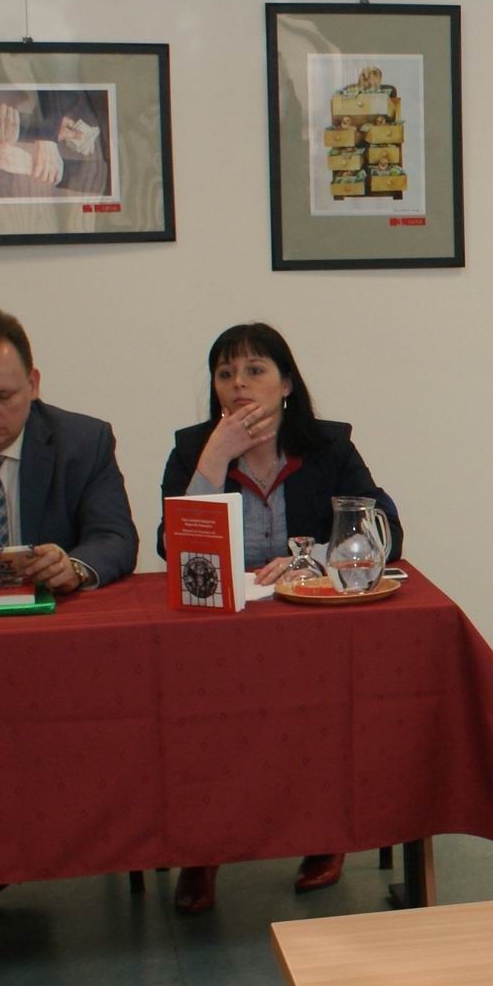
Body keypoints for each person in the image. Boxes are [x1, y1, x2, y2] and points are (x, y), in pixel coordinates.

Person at [155, 322, 403, 914]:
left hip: (309, 626)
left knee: (325, 701)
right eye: (225, 374)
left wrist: (308, 558)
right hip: (221, 634)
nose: (238, 384)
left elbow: (385, 532)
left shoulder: (328, 446)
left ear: (286, 383)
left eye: (254, 370)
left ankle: (323, 835)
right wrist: (215, 459)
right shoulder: (192, 450)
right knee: (193, 712)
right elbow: (174, 550)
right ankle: (201, 849)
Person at [0, 308, 138, 913]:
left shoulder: (84, 441)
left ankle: (34, 849)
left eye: (4, 396)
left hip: (54, 652)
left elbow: (115, 538)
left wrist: (75, 567)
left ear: (33, 384)